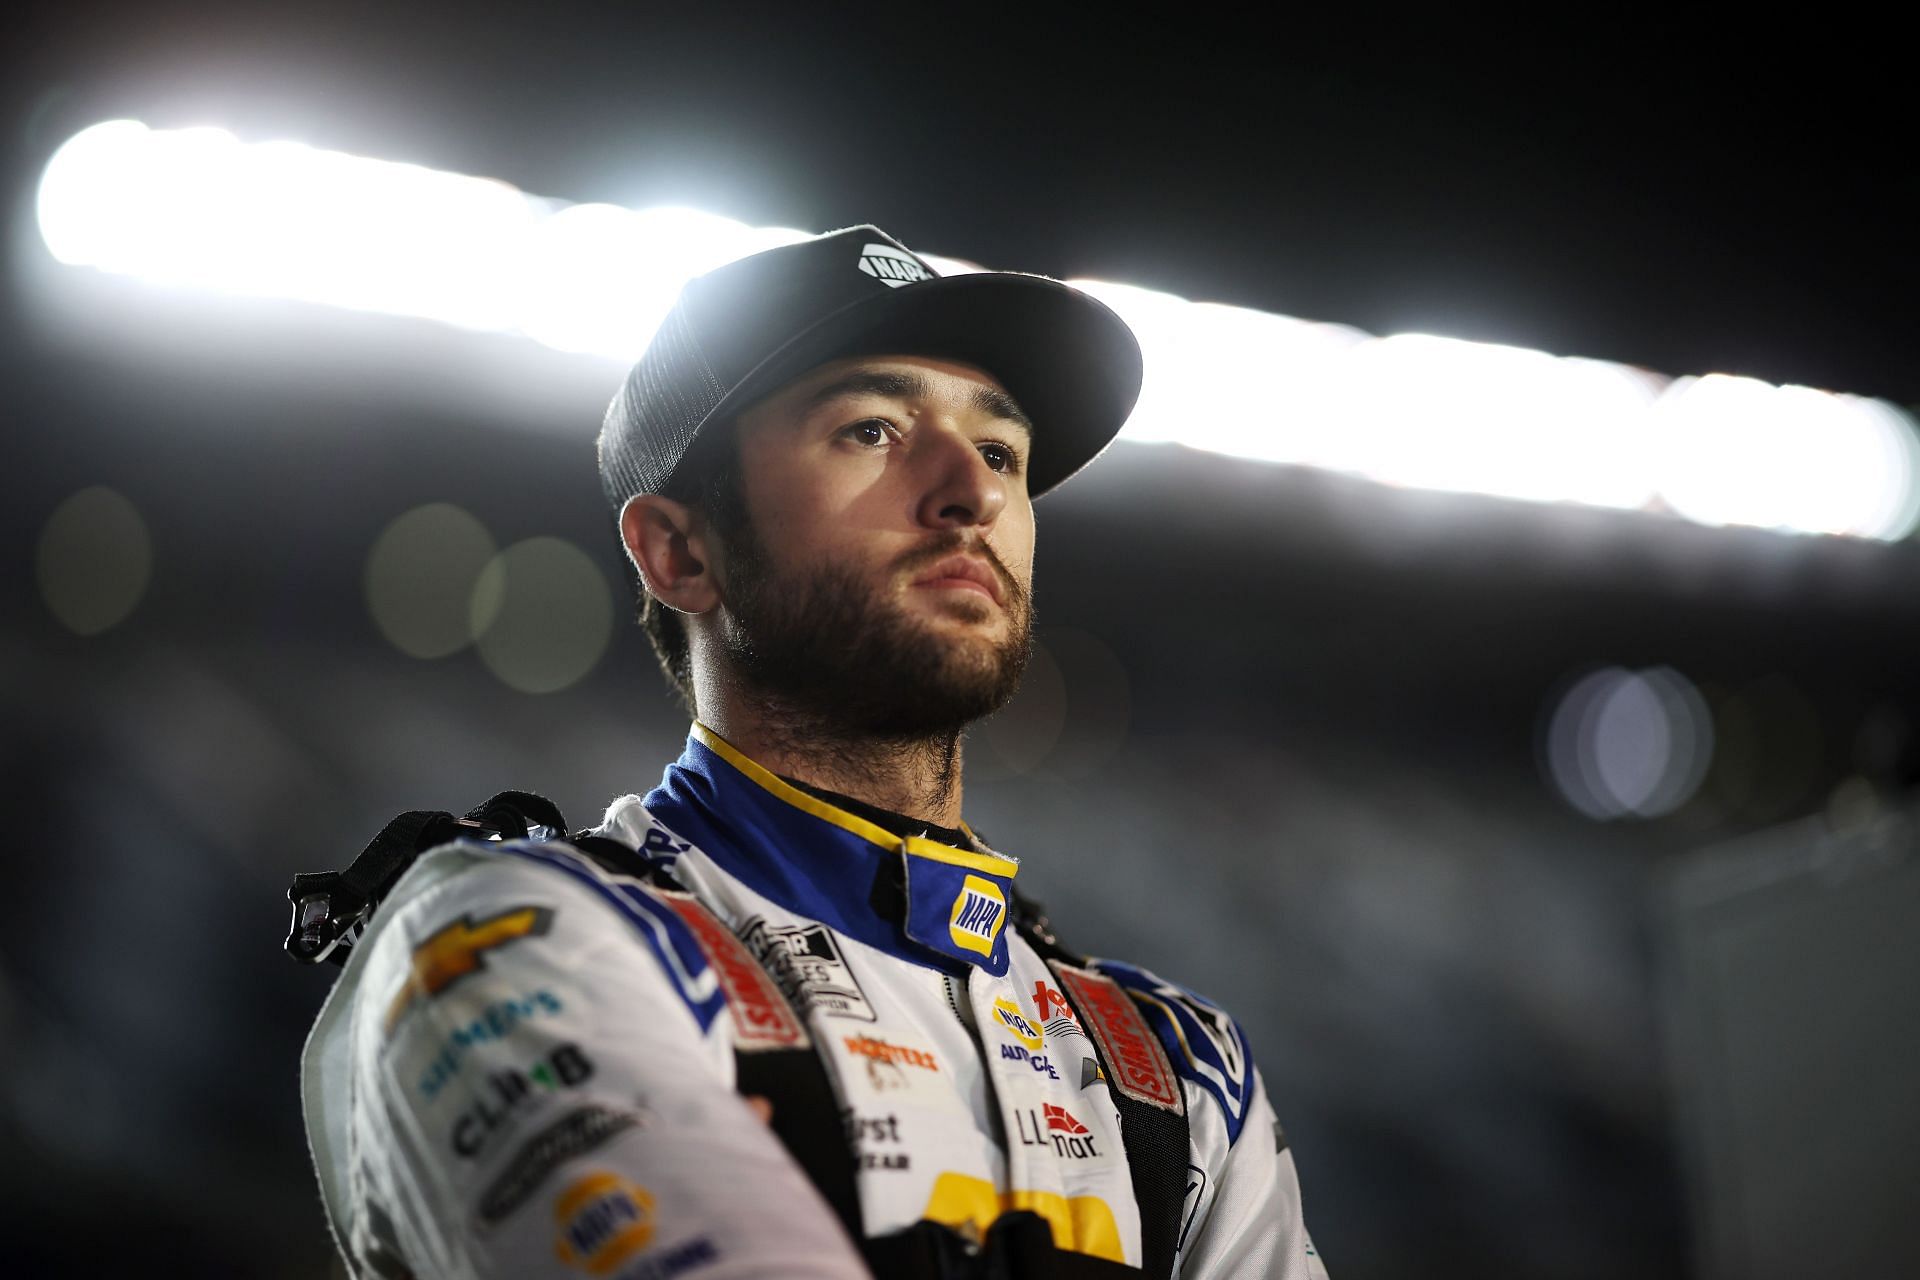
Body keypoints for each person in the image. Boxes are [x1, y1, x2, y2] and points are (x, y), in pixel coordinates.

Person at [298, 226, 1327, 1279]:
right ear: (680, 550)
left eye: (1001, 451)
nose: (968, 492)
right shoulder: (500, 936)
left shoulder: (1184, 1071)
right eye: (873, 429)